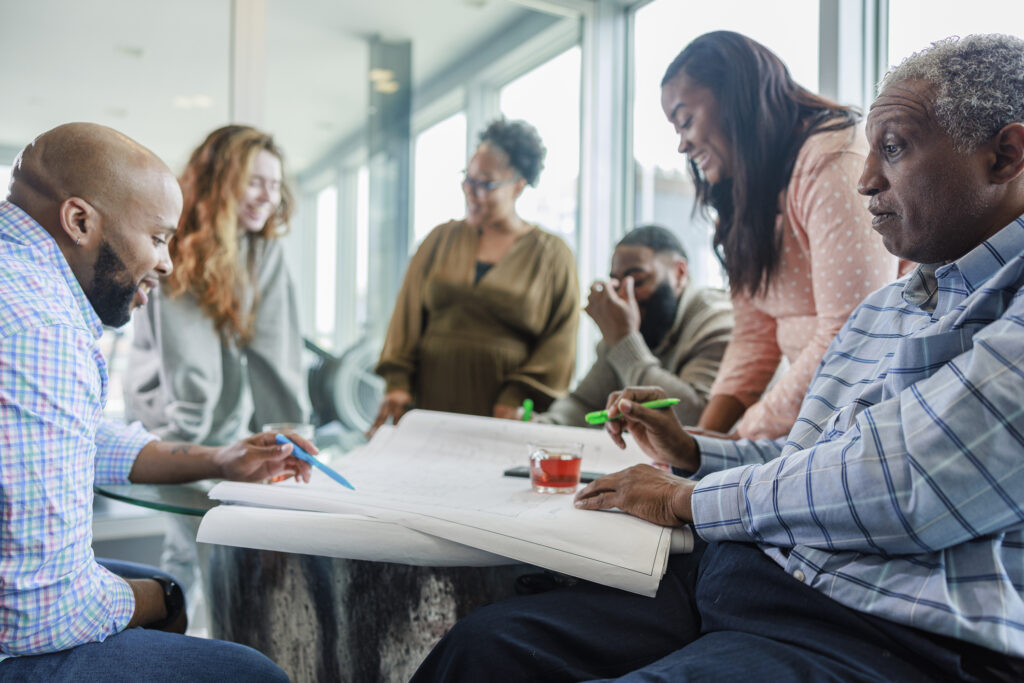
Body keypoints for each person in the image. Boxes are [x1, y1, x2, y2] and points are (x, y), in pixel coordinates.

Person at [411, 34, 1024, 681]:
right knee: (482, 650)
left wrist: (691, 498)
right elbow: (808, 458)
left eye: (893, 147)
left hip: (879, 625)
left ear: (1007, 155)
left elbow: (903, 484)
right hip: (755, 576)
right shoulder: (888, 308)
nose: (868, 177)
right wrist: (699, 452)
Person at [0, 122, 311, 679]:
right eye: (158, 239)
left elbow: (78, 433)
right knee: (254, 671)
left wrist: (217, 458)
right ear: (79, 221)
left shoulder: (21, 283)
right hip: (18, 634)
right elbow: (36, 615)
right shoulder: (39, 329)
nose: (164, 265)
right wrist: (161, 598)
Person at [660, 31, 902, 440]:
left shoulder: (832, 160)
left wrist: (741, 439)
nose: (682, 144)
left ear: (736, 98)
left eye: (685, 120)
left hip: (874, 411)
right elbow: (754, 338)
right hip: (819, 418)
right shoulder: (743, 193)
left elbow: (851, 333)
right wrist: (694, 446)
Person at [123, 124, 310, 629]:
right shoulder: (178, 249)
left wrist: (292, 429)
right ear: (220, 180)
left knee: (216, 551)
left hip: (224, 426)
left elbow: (278, 348)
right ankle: (180, 652)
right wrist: (199, 459)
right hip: (173, 423)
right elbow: (191, 374)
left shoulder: (262, 250)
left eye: (275, 185)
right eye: (255, 182)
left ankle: (202, 645)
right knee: (191, 547)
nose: (268, 197)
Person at [370, 119, 579, 434]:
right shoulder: (439, 240)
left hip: (503, 413)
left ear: (519, 184)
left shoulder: (552, 254)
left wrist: (519, 394)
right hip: (429, 402)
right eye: (467, 179)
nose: (471, 190)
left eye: (485, 183)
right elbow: (406, 316)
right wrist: (397, 381)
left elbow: (561, 340)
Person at [536, 225, 732, 428]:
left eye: (637, 281)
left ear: (680, 274)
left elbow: (697, 419)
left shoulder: (717, 322)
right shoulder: (628, 324)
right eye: (616, 283)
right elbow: (585, 402)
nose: (624, 296)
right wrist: (546, 424)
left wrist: (624, 341)